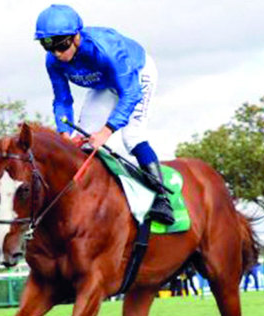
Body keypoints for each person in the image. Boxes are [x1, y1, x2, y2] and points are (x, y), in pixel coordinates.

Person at [35, 4, 174, 225]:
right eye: (48, 47)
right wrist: (64, 134)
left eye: (61, 46)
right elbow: (62, 100)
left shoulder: (106, 49)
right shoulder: (53, 61)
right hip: (104, 84)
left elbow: (130, 93)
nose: (57, 54)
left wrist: (106, 131)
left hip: (137, 75)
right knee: (82, 140)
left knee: (132, 136)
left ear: (76, 36)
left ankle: (162, 199)